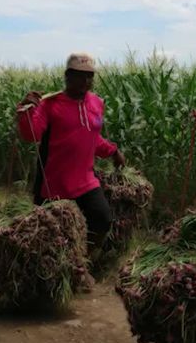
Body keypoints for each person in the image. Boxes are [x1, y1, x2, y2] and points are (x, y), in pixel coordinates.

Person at [15, 52, 126, 287]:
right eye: (80, 76)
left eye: (90, 77)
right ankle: (54, 277)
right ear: (67, 76)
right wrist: (25, 112)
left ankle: (79, 263)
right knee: (48, 235)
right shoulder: (49, 104)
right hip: (54, 183)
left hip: (85, 179)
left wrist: (113, 151)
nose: (86, 82)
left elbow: (92, 137)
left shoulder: (96, 103)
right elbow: (30, 135)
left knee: (102, 219)